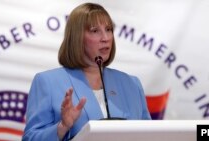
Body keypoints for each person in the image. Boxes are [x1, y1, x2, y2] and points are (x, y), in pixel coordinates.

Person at [22, 2, 151, 141]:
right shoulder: (47, 82)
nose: (105, 38)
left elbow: (150, 135)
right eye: (95, 31)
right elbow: (31, 138)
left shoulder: (131, 84)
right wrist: (62, 126)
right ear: (77, 38)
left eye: (108, 29)